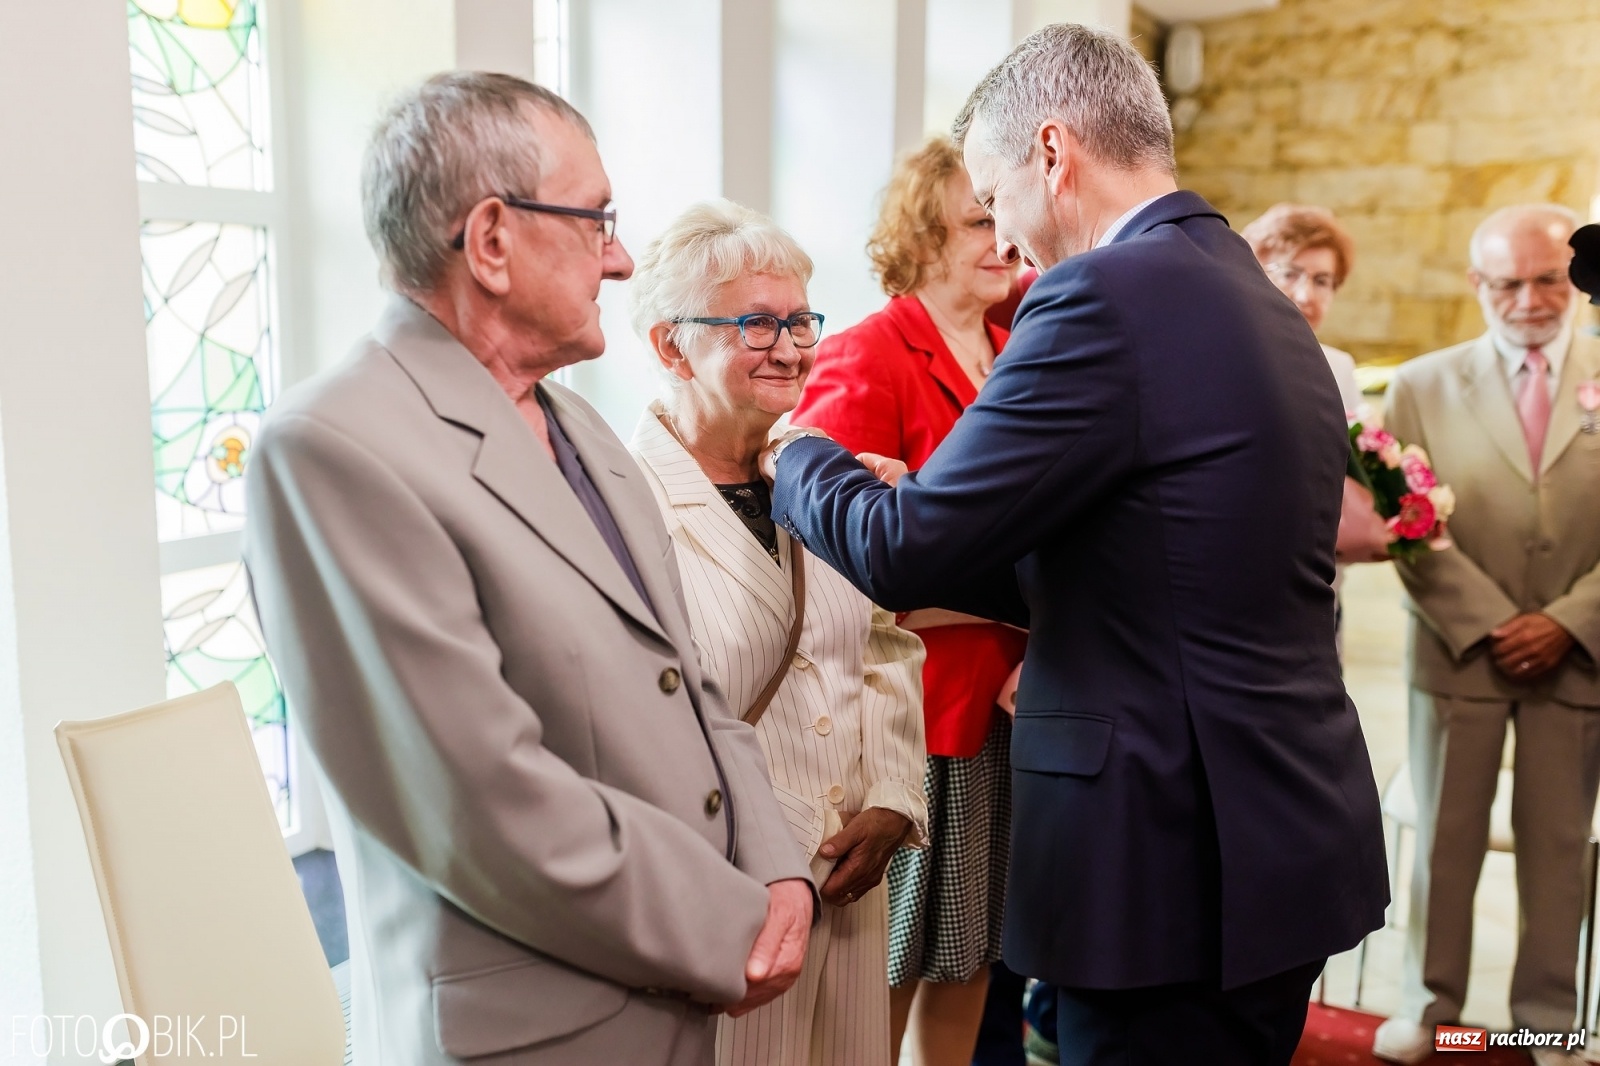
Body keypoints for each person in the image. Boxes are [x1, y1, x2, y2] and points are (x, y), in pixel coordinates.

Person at [762, 24, 1389, 1065]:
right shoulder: (1249, 293)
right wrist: (932, 501)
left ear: (1052, 154)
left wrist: (801, 459)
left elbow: (910, 551)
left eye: (995, 194)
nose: (1004, 242)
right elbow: (1153, 552)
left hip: (1166, 853)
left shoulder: (1102, 293)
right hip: (1277, 825)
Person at [242, 73, 813, 1066]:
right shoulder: (332, 448)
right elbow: (479, 801)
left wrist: (776, 865)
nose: (623, 259)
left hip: (668, 1000)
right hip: (532, 1027)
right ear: (493, 240)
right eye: (596, 221)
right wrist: (730, 922)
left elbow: (692, 681)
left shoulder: (578, 423)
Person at [626, 199, 930, 1066]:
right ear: (670, 345)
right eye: (758, 323)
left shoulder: (820, 469)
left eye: (801, 319)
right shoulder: (626, 504)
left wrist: (893, 799)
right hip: (729, 882)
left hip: (851, 873)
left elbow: (886, 645)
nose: (793, 347)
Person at [788, 137, 1026, 1066]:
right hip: (918, 714)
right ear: (922, 236)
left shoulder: (1018, 349)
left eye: (1005, 219)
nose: (1005, 240)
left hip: (1013, 704)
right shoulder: (869, 352)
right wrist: (1007, 613)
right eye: (979, 222)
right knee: (889, 968)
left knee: (971, 956)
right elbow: (839, 557)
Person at [1374, 204, 1600, 1066]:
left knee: (1559, 847)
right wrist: (1500, 624)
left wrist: (1568, 623)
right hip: (1458, 648)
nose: (1531, 299)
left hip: (1579, 656)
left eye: (1551, 278)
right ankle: (1427, 1012)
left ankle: (1548, 1021)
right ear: (1478, 285)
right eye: (1509, 282)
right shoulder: (1421, 385)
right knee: (1443, 840)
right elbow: (1405, 525)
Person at [1242, 203, 1392, 572]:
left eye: (1322, 280)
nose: (1306, 295)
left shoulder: (1340, 367)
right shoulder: (1225, 359)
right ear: (1251, 275)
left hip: (1322, 578)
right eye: (1290, 273)